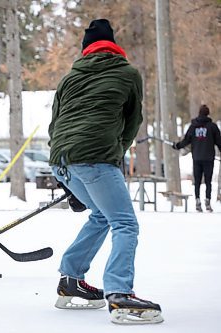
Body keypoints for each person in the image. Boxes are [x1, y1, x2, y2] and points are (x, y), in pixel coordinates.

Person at [48, 19, 163, 325]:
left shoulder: (70, 77)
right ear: (113, 47)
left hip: (61, 159)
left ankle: (70, 278)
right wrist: (114, 153)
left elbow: (55, 123)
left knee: (101, 215)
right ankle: (119, 294)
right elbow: (132, 122)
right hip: (95, 159)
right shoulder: (127, 73)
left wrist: (67, 175)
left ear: (86, 50)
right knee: (125, 224)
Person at [172, 105, 221, 212]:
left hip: (197, 158)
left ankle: (197, 201)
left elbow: (186, 141)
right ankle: (207, 201)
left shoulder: (193, 127)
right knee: (208, 181)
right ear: (208, 114)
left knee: (197, 181)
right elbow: (219, 142)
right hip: (208, 158)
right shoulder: (212, 127)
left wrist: (177, 146)